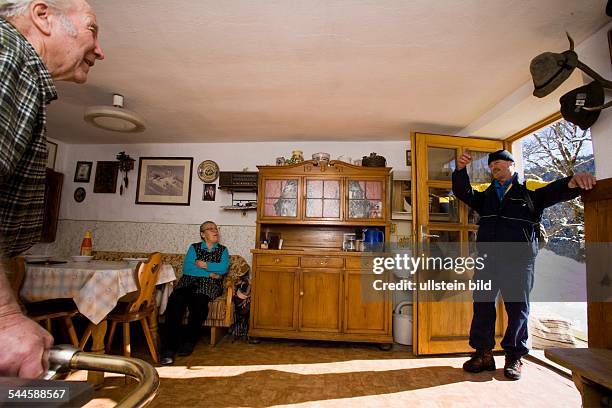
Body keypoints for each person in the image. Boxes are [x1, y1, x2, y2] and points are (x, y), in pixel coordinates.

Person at [0, 0, 104, 378]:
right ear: (42, 17)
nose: (100, 50)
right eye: (92, 29)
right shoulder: (9, 52)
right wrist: (4, 318)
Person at [452, 149, 596, 380]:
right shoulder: (486, 195)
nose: (493, 167)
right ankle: (483, 354)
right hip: (488, 261)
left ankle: (514, 357)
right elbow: (463, 191)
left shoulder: (530, 190)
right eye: (491, 165)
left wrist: (574, 181)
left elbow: (554, 191)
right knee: (482, 307)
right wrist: (460, 170)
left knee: (517, 309)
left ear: (511, 164)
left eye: (497, 163)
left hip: (519, 262)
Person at [161, 221, 229, 365]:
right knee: (176, 301)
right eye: (210, 229)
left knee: (199, 303)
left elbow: (223, 268)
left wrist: (205, 265)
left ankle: (189, 341)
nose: (215, 230)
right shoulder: (194, 247)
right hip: (188, 281)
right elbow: (188, 269)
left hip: (210, 285)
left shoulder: (223, 250)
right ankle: (168, 349)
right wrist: (211, 272)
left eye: (216, 228)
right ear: (202, 234)